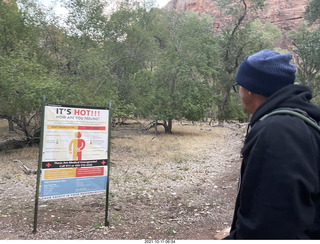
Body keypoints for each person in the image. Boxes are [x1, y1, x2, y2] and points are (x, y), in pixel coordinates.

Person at [221, 49, 320, 239]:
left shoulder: (277, 133)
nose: (239, 93)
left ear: (250, 89)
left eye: (239, 86)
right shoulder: (299, 120)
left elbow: (271, 229)